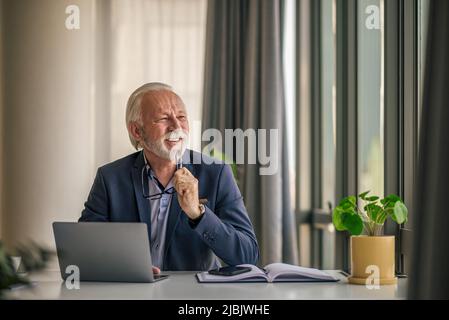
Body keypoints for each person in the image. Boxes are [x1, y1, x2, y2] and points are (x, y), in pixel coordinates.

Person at [79, 82, 259, 272]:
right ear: (137, 131)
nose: (176, 126)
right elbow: (84, 248)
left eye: (182, 117)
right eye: (163, 119)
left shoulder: (217, 174)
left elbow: (247, 255)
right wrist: (127, 268)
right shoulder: (110, 178)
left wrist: (198, 215)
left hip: (192, 296)